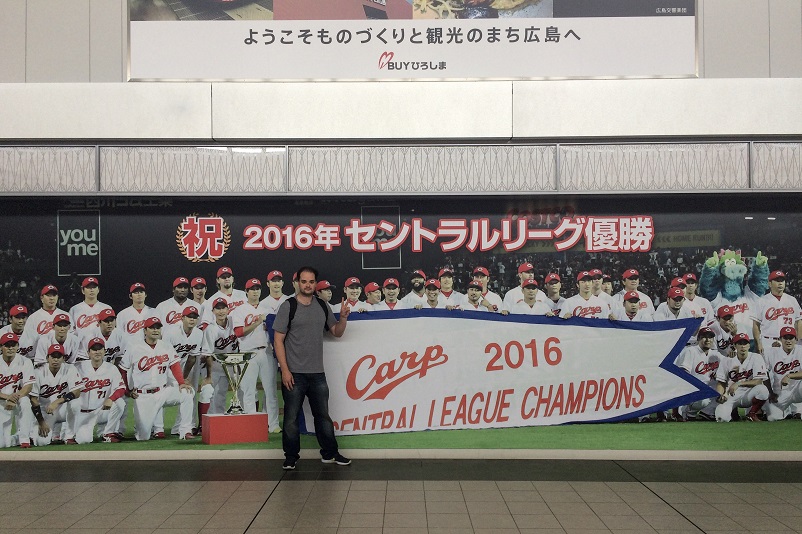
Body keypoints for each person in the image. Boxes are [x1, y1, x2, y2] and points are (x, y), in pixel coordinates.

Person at [273, 266, 351, 470]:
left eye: (311, 282)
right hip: (294, 374)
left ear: (316, 284)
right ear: (297, 283)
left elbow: (336, 332)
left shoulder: (322, 306)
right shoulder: (287, 306)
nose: (307, 285)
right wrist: (285, 370)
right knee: (290, 418)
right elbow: (278, 340)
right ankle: (291, 457)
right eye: (304, 281)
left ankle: (330, 453)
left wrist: (343, 318)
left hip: (317, 374)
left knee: (323, 416)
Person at [118, 316, 196, 440]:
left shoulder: (166, 346)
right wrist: (127, 390)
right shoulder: (134, 347)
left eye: (158, 328)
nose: (155, 330)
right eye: (152, 328)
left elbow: (175, 365)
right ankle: (142, 428)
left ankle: (185, 431)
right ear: (145, 330)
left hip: (163, 392)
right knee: (143, 436)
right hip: (143, 396)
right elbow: (122, 370)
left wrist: (181, 382)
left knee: (187, 392)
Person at [231, 278, 280, 432]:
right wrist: (258, 322)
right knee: (249, 391)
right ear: (246, 292)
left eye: (257, 288)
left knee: (271, 391)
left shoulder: (268, 309)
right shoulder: (239, 310)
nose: (255, 291)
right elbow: (239, 333)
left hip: (266, 352)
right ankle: (251, 425)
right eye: (252, 289)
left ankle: (273, 425)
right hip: (248, 353)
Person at [163, 305, 209, 435]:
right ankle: (157, 428)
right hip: (166, 366)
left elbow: (192, 358)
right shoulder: (171, 332)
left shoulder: (198, 333)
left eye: (195, 317)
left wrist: (184, 378)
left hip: (184, 365)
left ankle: (181, 428)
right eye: (189, 317)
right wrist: (178, 379)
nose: (192, 320)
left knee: (189, 392)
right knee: (161, 394)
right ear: (182, 318)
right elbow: (164, 356)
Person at [72, 337, 126, 443]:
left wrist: (111, 398)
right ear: (88, 353)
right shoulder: (78, 367)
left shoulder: (111, 368)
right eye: (94, 349)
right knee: (84, 441)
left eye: (100, 349)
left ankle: (108, 433)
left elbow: (121, 388)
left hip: (101, 411)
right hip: (83, 414)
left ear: (104, 351)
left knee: (120, 403)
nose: (97, 352)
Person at [30, 344, 83, 446]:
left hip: (63, 410)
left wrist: (57, 401)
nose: (56, 359)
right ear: (47, 358)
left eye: (59, 357)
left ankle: (69, 437)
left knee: (76, 403)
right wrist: (41, 422)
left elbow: (77, 392)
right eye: (53, 356)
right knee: (41, 442)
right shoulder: (38, 372)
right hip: (46, 412)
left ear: (63, 358)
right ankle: (22, 436)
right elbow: (33, 399)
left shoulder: (70, 369)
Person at [714, 333, 769, 422]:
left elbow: (758, 381)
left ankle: (752, 414)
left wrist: (739, 383)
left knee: (763, 390)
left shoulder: (756, 357)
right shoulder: (727, 360)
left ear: (748, 345)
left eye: (745, 343)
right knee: (721, 418)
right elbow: (721, 382)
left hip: (749, 393)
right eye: (740, 343)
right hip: (731, 394)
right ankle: (733, 412)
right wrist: (719, 394)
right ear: (735, 346)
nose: (743, 346)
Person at [201, 297, 240, 414]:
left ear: (228, 309)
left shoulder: (235, 322)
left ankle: (220, 421)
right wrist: (208, 376)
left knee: (221, 394)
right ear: (213, 311)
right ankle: (206, 423)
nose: (221, 311)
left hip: (231, 365)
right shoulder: (210, 329)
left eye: (223, 308)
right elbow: (207, 354)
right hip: (215, 366)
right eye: (218, 309)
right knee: (210, 394)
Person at [674, 327, 719, 420]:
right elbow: (684, 374)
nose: (708, 340)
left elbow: (728, 366)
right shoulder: (690, 351)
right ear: (698, 339)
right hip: (691, 389)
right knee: (704, 400)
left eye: (710, 337)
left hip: (706, 389)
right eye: (704, 337)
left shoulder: (715, 354)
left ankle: (707, 412)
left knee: (722, 387)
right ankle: (687, 412)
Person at [753, 270, 802, 354]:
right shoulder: (761, 301)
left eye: (782, 280)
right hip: (768, 342)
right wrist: (758, 343)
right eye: (777, 280)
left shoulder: (792, 300)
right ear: (770, 283)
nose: (780, 283)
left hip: (788, 341)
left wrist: (798, 341)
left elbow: (799, 321)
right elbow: (756, 324)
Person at [0, 333, 36, 448]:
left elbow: (28, 387)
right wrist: (7, 397)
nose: (10, 348)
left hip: (18, 400)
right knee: (3, 444)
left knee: (26, 401)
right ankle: (15, 438)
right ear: (1, 347)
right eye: (7, 345)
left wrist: (14, 398)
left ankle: (24, 439)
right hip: (1, 402)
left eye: (13, 345)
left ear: (17, 346)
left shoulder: (25, 361)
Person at [763, 327, 802, 421]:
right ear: (780, 339)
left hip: (798, 391)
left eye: (791, 338)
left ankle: (797, 410)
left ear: (796, 340)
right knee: (773, 417)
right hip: (781, 393)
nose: (788, 341)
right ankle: (787, 411)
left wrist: (789, 376)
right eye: (785, 338)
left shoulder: (800, 350)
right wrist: (770, 392)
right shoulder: (771, 352)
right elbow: (764, 374)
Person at [116, 282, 154, 347]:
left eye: (141, 292)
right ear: (130, 296)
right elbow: (119, 336)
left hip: (149, 349)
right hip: (129, 349)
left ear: (145, 295)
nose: (139, 294)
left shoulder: (154, 312)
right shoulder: (122, 314)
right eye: (136, 292)